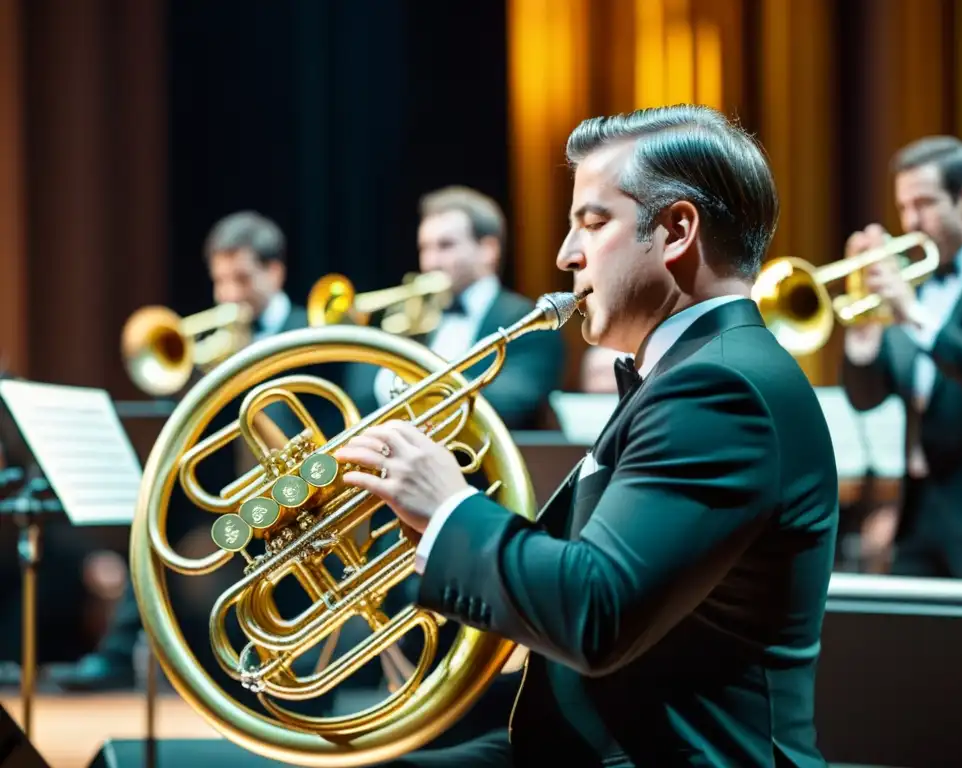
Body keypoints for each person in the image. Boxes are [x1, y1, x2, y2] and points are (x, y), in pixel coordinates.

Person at [333, 104, 840, 766]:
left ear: (676, 230)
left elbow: (597, 608)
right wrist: (423, 526)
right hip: (605, 741)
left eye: (592, 223)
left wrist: (448, 511)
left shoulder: (721, 389)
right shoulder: (693, 373)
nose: (565, 254)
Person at [47, 211, 353, 703]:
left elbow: (319, 416)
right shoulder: (214, 345)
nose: (228, 295)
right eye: (219, 281)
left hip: (303, 495)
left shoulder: (308, 329)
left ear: (274, 273)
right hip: (231, 494)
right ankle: (123, 651)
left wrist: (246, 369)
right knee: (156, 512)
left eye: (242, 279)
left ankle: (290, 674)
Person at [842, 136, 962, 580]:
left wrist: (911, 315)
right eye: (903, 208)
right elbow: (866, 398)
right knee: (915, 647)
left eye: (922, 204)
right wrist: (863, 336)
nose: (910, 223)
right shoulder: (917, 287)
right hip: (919, 514)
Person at [343, 186, 566, 431]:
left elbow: (515, 401)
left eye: (445, 246)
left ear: (488, 250)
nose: (430, 262)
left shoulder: (527, 319)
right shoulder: (411, 316)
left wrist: (414, 389)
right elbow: (361, 392)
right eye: (424, 248)